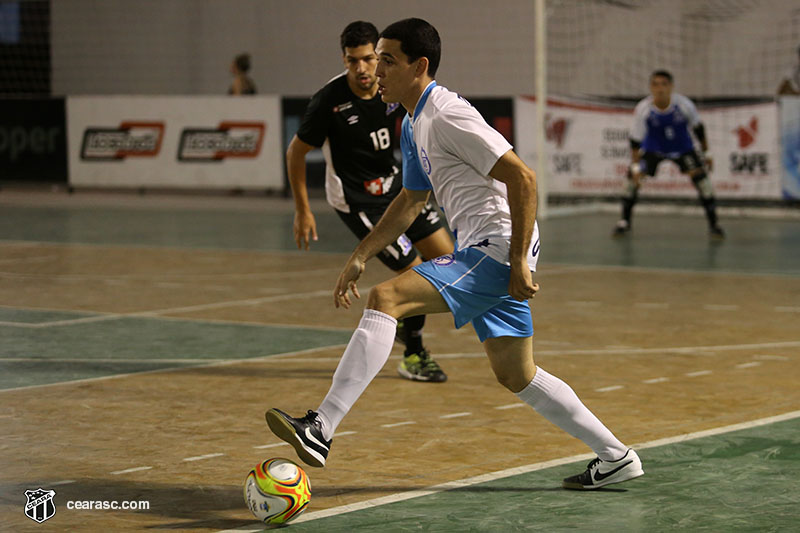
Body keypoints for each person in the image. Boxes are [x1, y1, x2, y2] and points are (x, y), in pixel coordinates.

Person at [267, 17, 644, 491]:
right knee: (517, 374)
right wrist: (362, 253)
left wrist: (520, 261)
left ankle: (321, 427)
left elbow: (523, 178)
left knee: (386, 299)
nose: (376, 71)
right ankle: (616, 456)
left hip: (498, 247)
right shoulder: (411, 122)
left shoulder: (447, 114)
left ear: (419, 66)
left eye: (388, 61)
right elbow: (409, 201)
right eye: (374, 59)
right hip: (485, 248)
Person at [286, 21, 454, 383]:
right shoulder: (328, 102)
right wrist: (302, 209)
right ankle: (413, 354)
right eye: (352, 61)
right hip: (359, 202)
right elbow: (296, 153)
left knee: (447, 260)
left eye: (369, 59)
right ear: (344, 60)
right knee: (415, 271)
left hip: (399, 191)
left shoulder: (389, 87)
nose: (362, 69)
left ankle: (404, 325)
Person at [614, 70, 724, 239]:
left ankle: (714, 225)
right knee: (631, 181)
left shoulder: (684, 105)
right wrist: (636, 167)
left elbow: (698, 129)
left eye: (664, 84)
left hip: (682, 149)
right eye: (655, 84)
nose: (660, 89)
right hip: (653, 150)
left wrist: (707, 154)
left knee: (704, 184)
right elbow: (635, 141)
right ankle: (624, 222)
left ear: (671, 87)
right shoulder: (643, 109)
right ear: (650, 88)